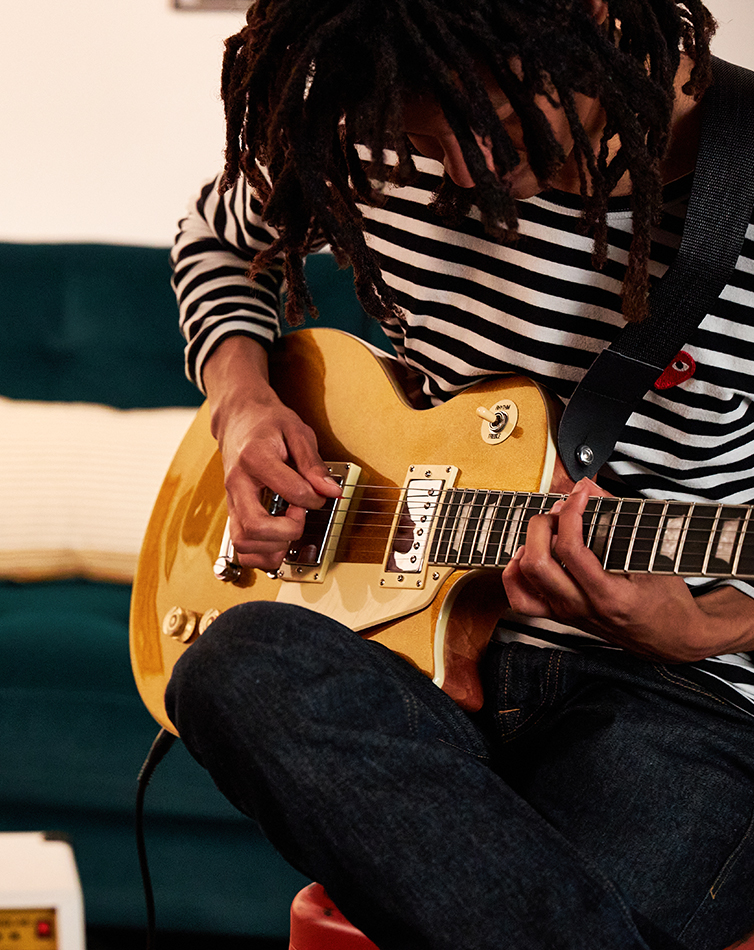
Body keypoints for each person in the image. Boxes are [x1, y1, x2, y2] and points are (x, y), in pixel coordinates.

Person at [165, 1, 754, 947]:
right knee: (231, 665)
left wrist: (701, 626)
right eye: (425, 140)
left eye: (498, 127)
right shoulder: (372, 140)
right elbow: (215, 239)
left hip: (686, 699)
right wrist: (241, 402)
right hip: (415, 655)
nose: (469, 174)